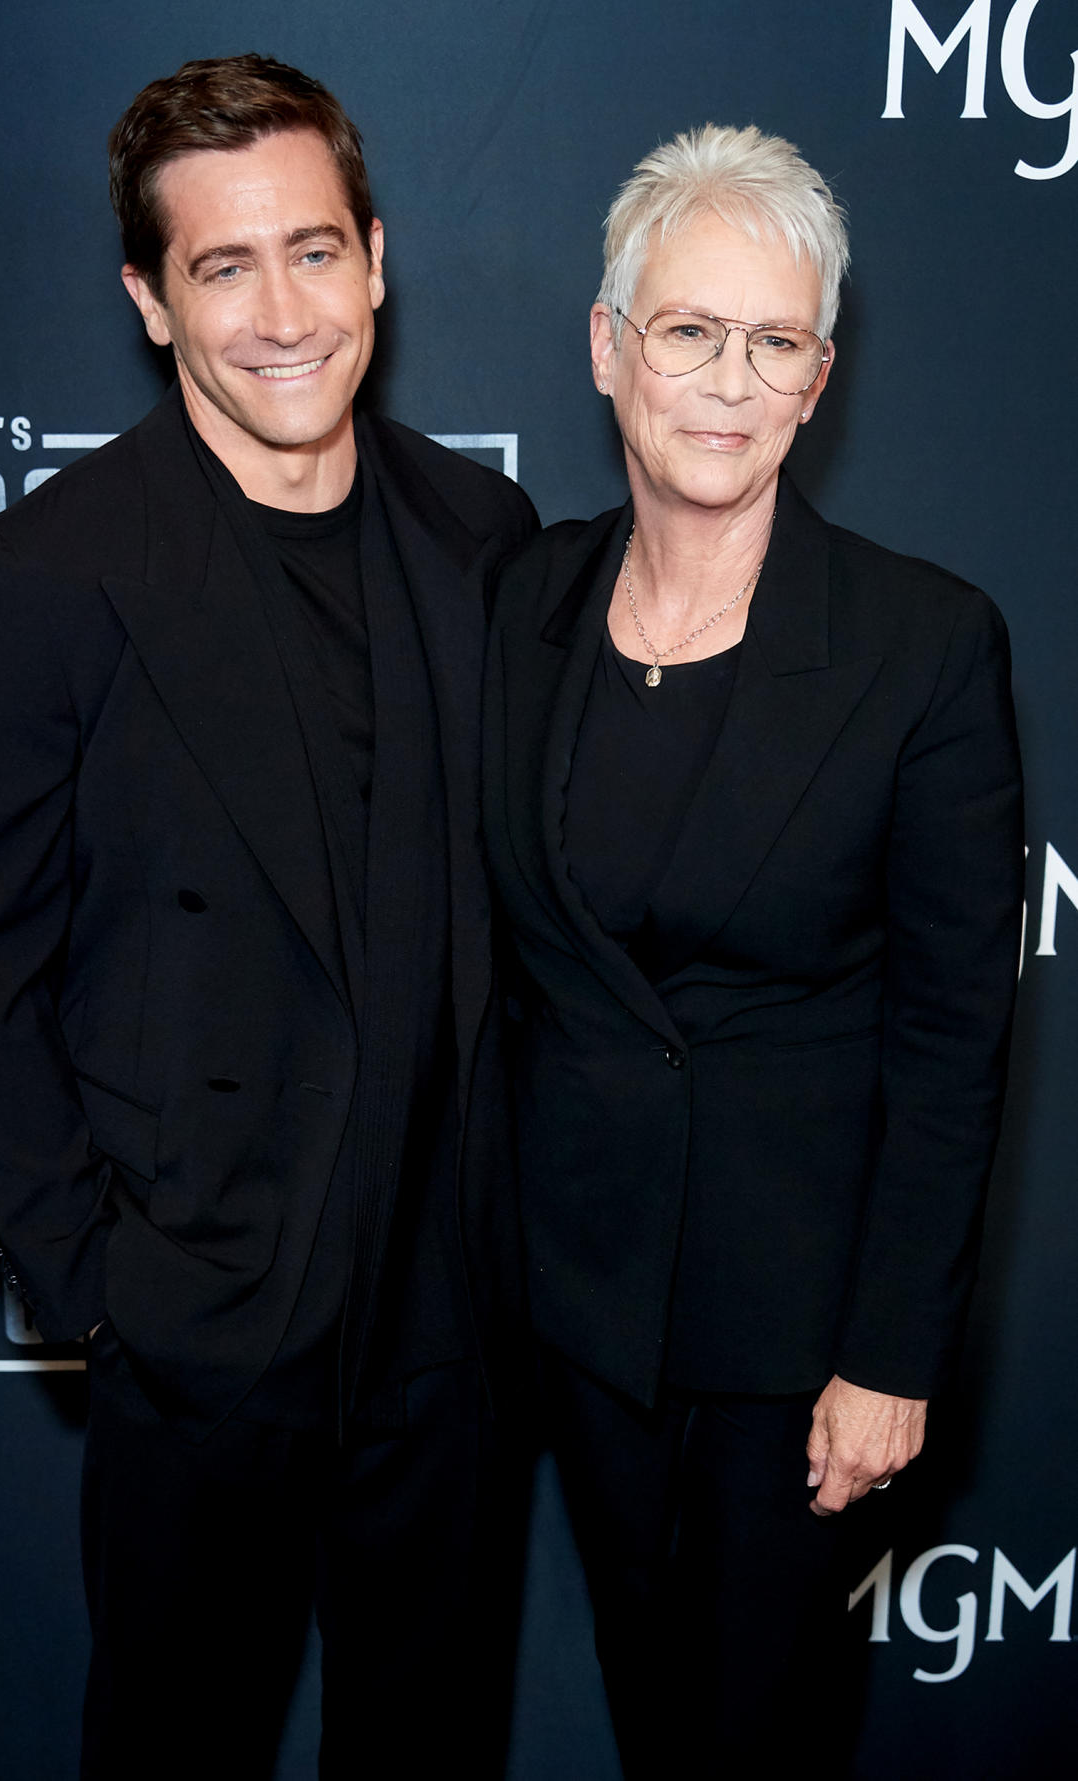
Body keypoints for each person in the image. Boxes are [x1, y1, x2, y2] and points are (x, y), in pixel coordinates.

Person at [0, 53, 536, 1780]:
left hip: (447, 1333)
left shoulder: (480, 534)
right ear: (147, 299)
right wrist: (103, 1287)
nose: (282, 313)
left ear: (379, 259)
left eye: (313, 252)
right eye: (222, 266)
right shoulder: (39, 578)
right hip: (202, 1331)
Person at [483, 124, 1023, 1773]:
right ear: (606, 346)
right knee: (657, 1719)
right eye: (689, 330)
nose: (726, 380)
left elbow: (951, 1038)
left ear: (818, 378)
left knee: (753, 1739)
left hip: (796, 1353)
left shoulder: (921, 645)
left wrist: (885, 1355)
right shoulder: (526, 602)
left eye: (772, 342)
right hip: (575, 1317)